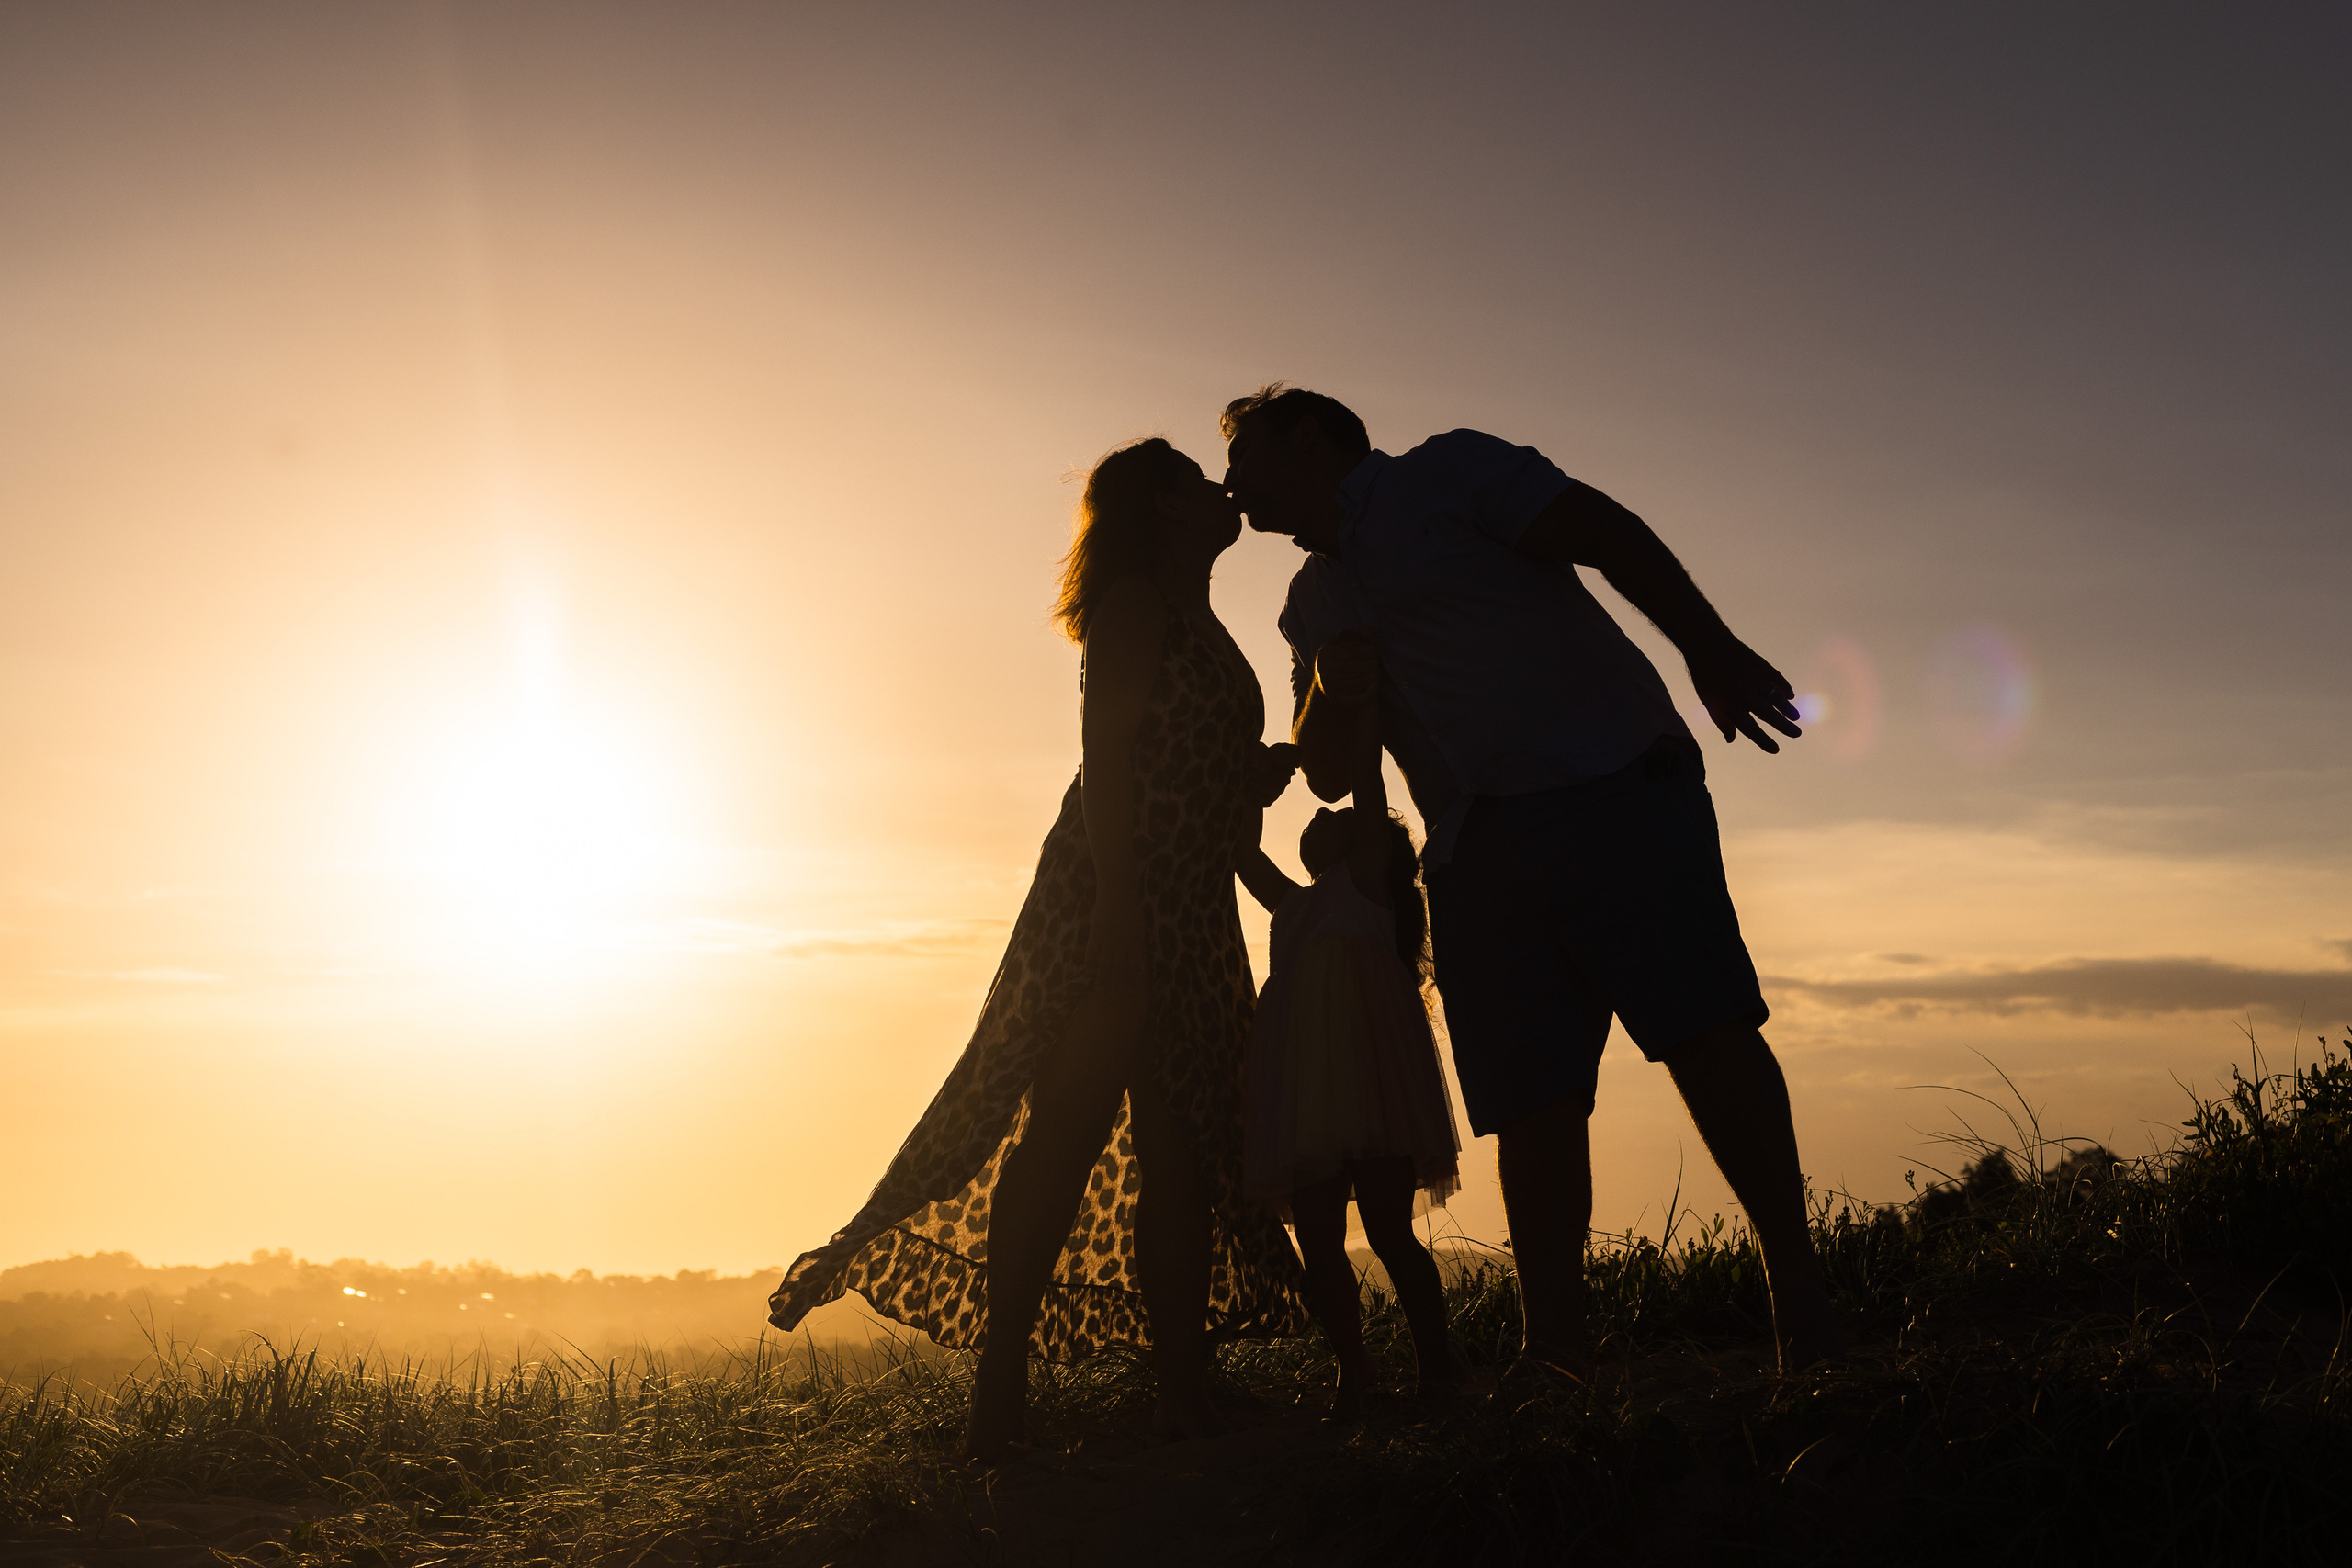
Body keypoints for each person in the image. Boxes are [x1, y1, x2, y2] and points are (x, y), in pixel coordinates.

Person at [1220, 383, 1844, 1375]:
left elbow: (1605, 531)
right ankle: (1553, 1352)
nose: (1231, 486)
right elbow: (1331, 770)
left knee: (1705, 1033)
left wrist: (1708, 647)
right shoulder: (1311, 600)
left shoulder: (1450, 473)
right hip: (1474, 848)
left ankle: (1797, 1295)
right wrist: (1330, 691)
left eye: (1242, 460)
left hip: (1612, 782)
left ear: (1306, 440)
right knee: (1530, 1102)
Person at [767, 437, 1308, 1461]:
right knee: (1062, 1126)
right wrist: (1113, 911)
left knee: (1184, 1146)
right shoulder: (1139, 608)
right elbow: (1105, 761)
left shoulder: (1204, 620)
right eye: (1193, 482)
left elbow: (1193, 762)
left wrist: (1263, 768)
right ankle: (999, 1389)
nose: (1218, 491)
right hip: (1112, 897)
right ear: (1158, 511)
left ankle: (1181, 1387)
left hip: (1192, 909)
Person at [1236, 676, 1474, 1416]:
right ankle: (1356, 1374)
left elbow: (1366, 776)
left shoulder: (1368, 887)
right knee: (1319, 1238)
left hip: (1369, 1089)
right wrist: (1257, 784)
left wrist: (1360, 701)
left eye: (1331, 818)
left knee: (1388, 1230)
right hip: (1310, 1097)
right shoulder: (1297, 908)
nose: (1318, 817)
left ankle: (1436, 1362)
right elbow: (1240, 851)